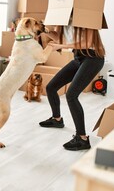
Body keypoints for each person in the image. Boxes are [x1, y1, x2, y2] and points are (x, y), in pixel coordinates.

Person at [40, 23, 105, 151]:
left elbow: (86, 43)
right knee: (51, 87)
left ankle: (82, 138)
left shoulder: (86, 18)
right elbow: (59, 38)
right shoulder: (64, 19)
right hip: (79, 58)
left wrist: (61, 46)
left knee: (71, 95)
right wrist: (43, 30)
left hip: (93, 59)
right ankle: (56, 119)